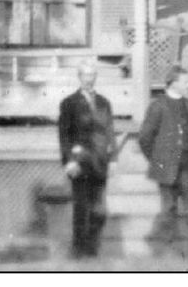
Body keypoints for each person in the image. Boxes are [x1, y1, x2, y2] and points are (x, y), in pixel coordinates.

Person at [136, 65, 188, 258]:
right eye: (186, 81)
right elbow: (144, 138)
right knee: (168, 209)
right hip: (167, 168)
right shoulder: (158, 105)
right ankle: (163, 252)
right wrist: (157, 161)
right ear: (174, 83)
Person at [57, 61, 115, 258]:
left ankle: (93, 250)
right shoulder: (69, 103)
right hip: (79, 162)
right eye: (86, 75)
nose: (89, 79)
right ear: (80, 77)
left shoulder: (104, 102)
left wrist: (113, 159)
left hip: (99, 162)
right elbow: (64, 135)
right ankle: (79, 252)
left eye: (92, 75)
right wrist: (69, 160)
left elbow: (109, 131)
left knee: (99, 210)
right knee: (81, 207)